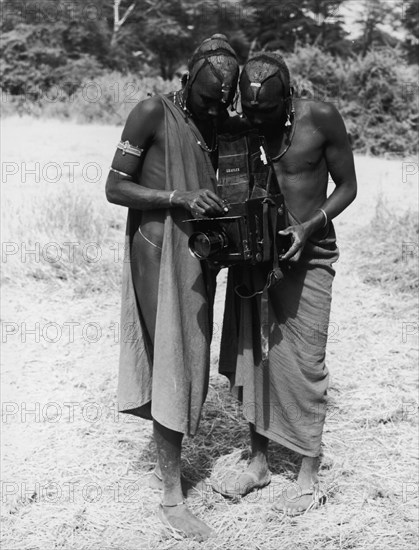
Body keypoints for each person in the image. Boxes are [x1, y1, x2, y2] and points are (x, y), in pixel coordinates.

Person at [105, 35, 239, 540]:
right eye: (206, 100)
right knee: (173, 361)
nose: (214, 109)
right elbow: (115, 186)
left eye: (222, 103)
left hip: (200, 254)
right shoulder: (151, 112)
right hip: (158, 252)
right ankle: (170, 494)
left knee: (192, 358)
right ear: (187, 80)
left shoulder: (218, 121)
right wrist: (176, 196)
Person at [214, 51, 357, 515]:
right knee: (255, 357)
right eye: (249, 109)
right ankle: (258, 462)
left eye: (267, 111)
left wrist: (308, 226)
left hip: (309, 255)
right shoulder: (240, 126)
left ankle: (308, 471)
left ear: (289, 97)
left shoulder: (320, 118)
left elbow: (348, 187)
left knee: (306, 361)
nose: (257, 118)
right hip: (254, 259)